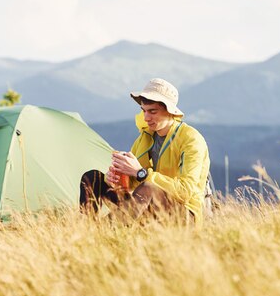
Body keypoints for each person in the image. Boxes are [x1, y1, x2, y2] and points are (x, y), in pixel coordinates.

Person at [80, 78, 211, 223]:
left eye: (152, 112)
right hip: (148, 203)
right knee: (92, 178)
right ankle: (85, 228)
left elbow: (185, 191)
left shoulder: (191, 139)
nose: (146, 117)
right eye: (144, 111)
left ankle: (100, 233)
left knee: (149, 188)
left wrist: (141, 173)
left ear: (170, 111)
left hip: (186, 214)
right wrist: (116, 179)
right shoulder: (145, 137)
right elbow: (134, 186)